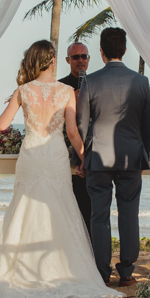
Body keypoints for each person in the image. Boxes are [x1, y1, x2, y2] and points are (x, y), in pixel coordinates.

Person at [0, 41, 120, 298]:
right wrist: (84, 157)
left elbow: (2, 125)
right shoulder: (66, 91)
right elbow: (72, 132)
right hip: (55, 155)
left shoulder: (23, 90)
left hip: (31, 154)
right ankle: (62, 269)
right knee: (60, 206)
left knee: (23, 207)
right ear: (53, 61)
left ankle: (17, 268)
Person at [77, 27, 150, 286]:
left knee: (99, 215)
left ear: (101, 51)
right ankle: (127, 272)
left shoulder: (90, 80)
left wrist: (82, 157)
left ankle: (101, 272)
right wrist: (144, 156)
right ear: (124, 50)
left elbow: (81, 124)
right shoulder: (141, 82)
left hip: (98, 157)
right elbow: (147, 126)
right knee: (129, 213)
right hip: (131, 157)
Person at [58, 42, 93, 231]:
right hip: (65, 155)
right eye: (75, 57)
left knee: (89, 210)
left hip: (91, 154)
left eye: (84, 56)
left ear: (89, 59)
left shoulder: (97, 82)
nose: (80, 60)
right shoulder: (60, 86)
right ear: (67, 60)